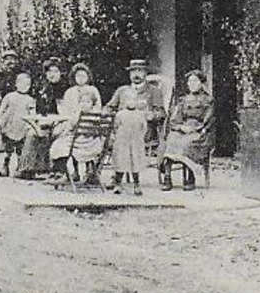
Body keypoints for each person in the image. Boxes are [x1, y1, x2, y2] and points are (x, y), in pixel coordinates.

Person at [158, 70, 214, 192]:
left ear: (201, 83)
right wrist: (181, 127)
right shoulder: (183, 100)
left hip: (199, 132)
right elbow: (175, 118)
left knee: (187, 143)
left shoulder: (208, 100)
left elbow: (209, 119)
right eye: (190, 81)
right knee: (171, 139)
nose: (191, 84)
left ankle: (190, 177)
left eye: (195, 81)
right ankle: (167, 177)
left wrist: (196, 128)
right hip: (183, 128)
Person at [105, 59, 155, 195]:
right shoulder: (122, 90)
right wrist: (110, 114)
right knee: (117, 149)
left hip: (141, 132)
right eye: (133, 71)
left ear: (145, 73)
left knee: (134, 155)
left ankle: (131, 182)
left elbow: (161, 112)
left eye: (139, 71)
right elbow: (109, 107)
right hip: (121, 130)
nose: (136, 74)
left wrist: (151, 115)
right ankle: (115, 178)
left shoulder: (152, 91)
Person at [49, 63, 105, 182]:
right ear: (73, 77)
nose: (80, 78)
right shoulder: (70, 92)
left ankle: (72, 173)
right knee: (60, 132)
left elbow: (97, 109)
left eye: (83, 75)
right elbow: (65, 110)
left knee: (64, 140)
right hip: (73, 123)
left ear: (88, 76)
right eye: (78, 76)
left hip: (86, 130)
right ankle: (69, 172)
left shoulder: (93, 90)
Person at [16, 59, 67, 179]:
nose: (53, 74)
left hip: (60, 121)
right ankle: (27, 168)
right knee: (32, 133)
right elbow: (35, 108)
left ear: (61, 73)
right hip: (42, 120)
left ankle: (54, 168)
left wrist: (53, 120)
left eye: (56, 71)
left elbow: (63, 111)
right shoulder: (41, 88)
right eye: (50, 71)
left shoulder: (64, 89)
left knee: (56, 133)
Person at [0, 70, 37, 177]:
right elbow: (2, 110)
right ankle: (5, 166)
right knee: (8, 148)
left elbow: (32, 114)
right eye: (22, 83)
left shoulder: (30, 100)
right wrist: (1, 121)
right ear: (16, 84)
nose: (25, 86)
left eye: (28, 84)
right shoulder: (10, 96)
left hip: (22, 126)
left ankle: (20, 167)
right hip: (10, 125)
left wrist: (31, 123)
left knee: (20, 148)